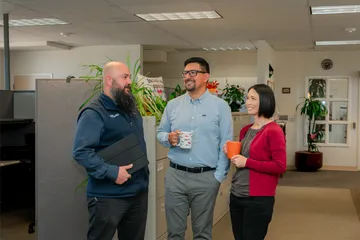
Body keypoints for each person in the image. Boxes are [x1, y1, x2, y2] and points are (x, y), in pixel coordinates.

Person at [157, 57, 233, 239]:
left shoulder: (220, 107)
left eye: (193, 73)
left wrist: (218, 177)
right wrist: (168, 138)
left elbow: (227, 142)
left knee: (202, 233)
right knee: (174, 233)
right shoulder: (173, 105)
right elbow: (160, 133)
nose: (187, 77)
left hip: (206, 178)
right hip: (176, 177)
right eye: (185, 73)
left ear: (206, 76)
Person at [72, 61, 149, 240]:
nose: (129, 81)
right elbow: (81, 152)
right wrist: (112, 172)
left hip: (137, 194)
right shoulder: (94, 113)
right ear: (108, 80)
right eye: (124, 77)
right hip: (108, 198)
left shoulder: (131, 108)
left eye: (129, 76)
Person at [223, 83, 286, 240]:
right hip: (237, 195)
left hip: (258, 199)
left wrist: (247, 162)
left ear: (265, 101)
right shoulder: (246, 129)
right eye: (247, 98)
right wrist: (232, 153)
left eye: (253, 98)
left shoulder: (273, 130)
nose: (247, 102)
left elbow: (280, 166)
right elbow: (244, 158)